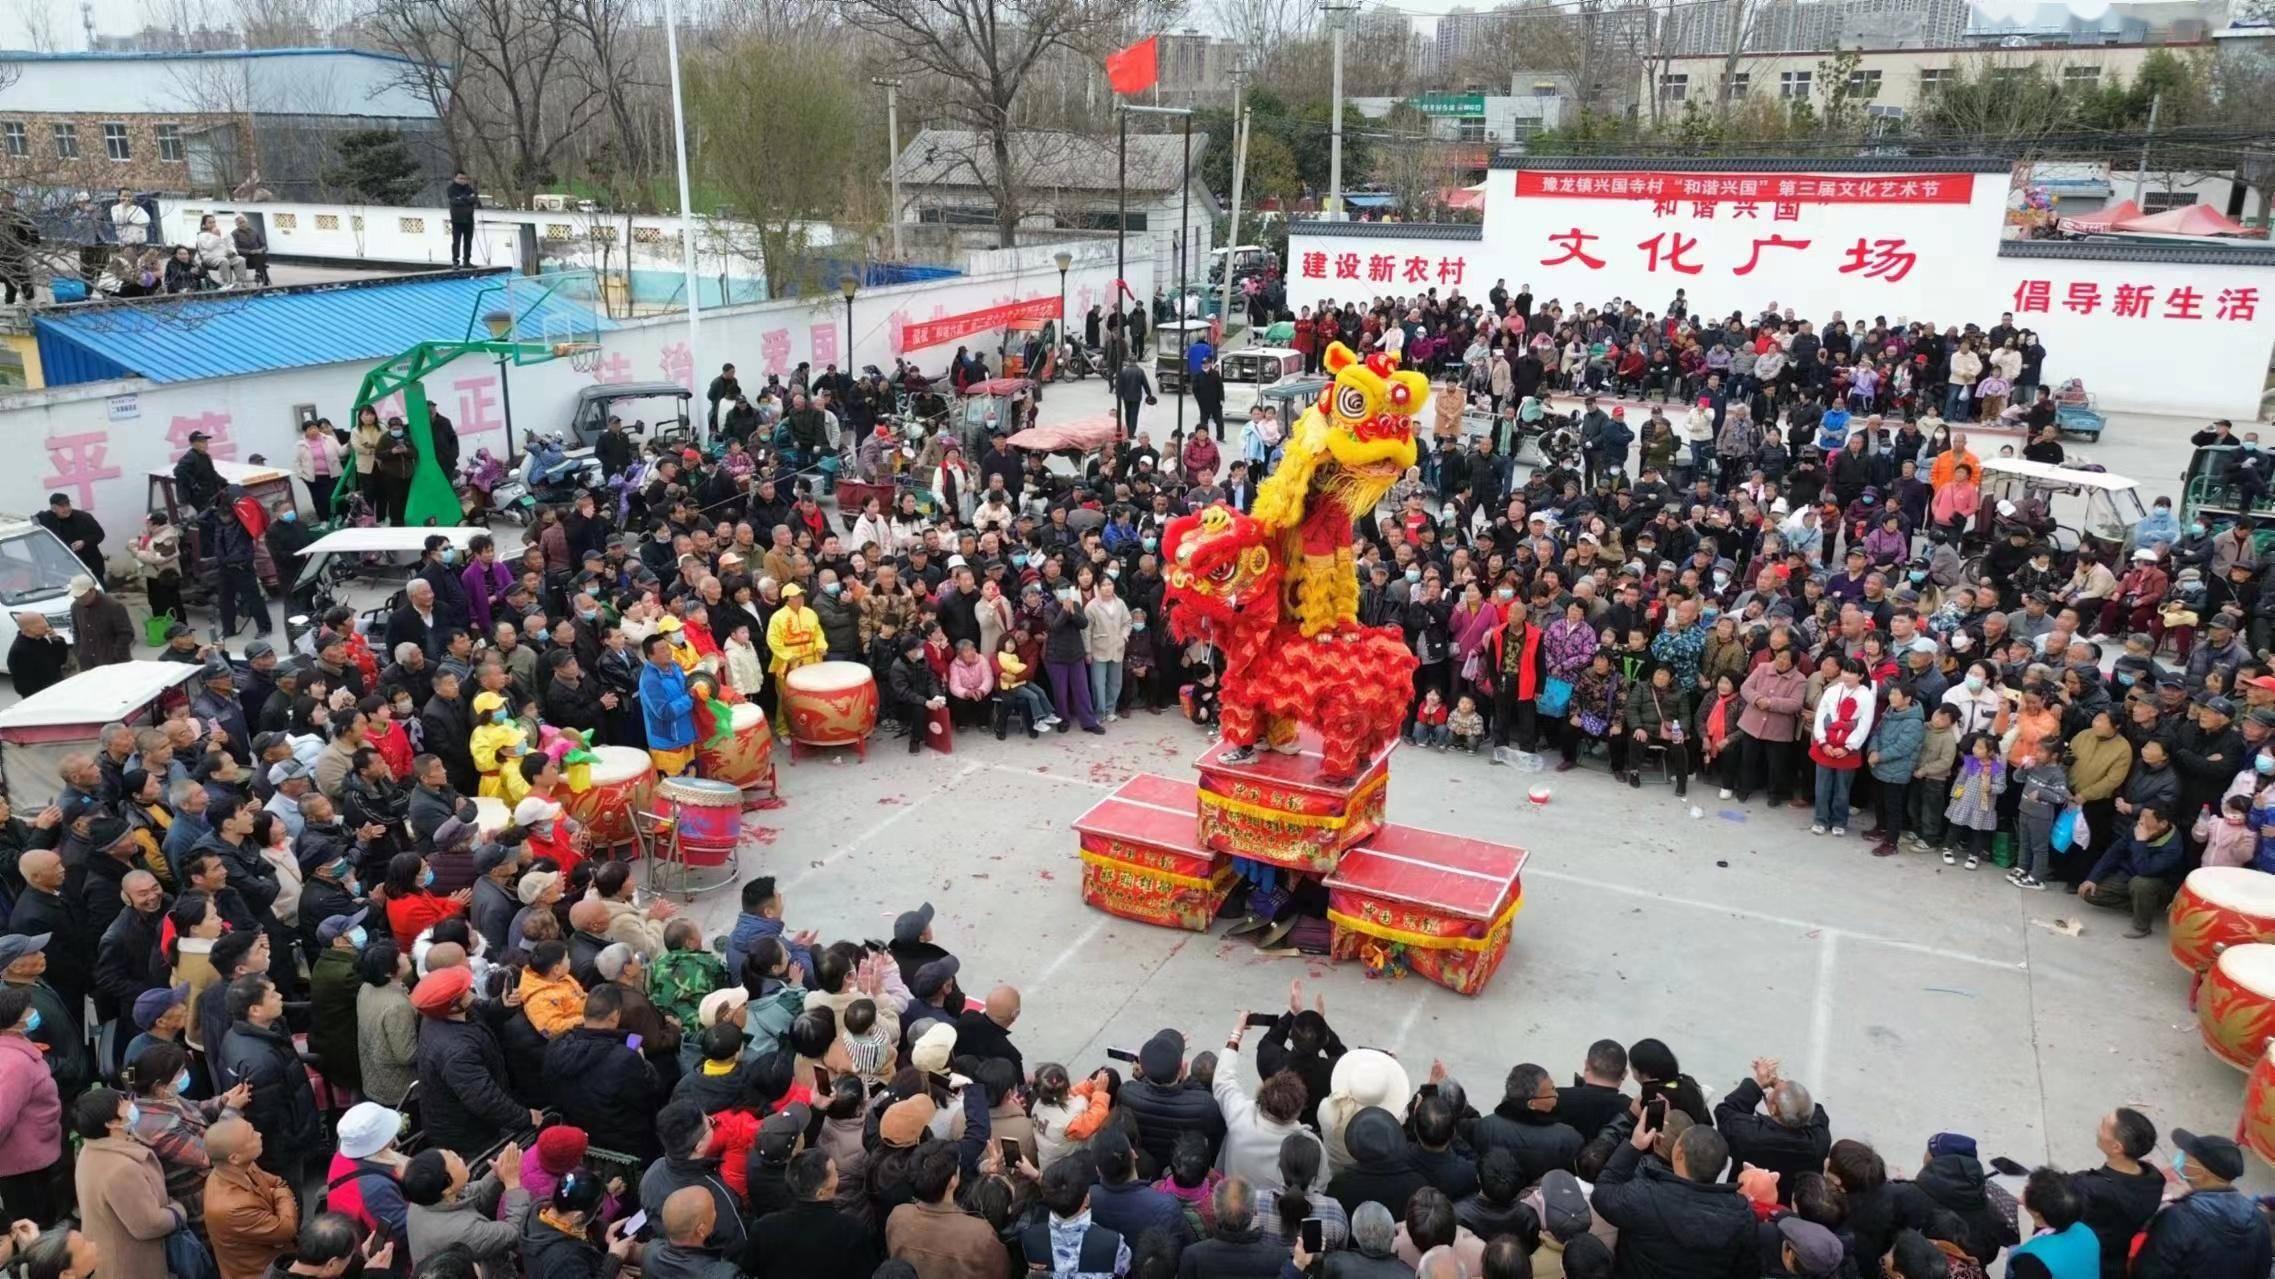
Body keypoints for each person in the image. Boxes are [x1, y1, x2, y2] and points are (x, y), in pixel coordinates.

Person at [1589, 1120, 1753, 1277]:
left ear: (1679, 1153)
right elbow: (1747, 1270)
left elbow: (1603, 1193)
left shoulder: (1646, 1195)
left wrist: (1634, 1146)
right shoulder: (1742, 1215)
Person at [72, 1086, 188, 1279]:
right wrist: (177, 1211)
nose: (130, 1104)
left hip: (107, 1254)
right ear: (111, 1123)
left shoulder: (90, 1150)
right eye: (122, 1104)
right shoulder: (121, 1170)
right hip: (131, 1263)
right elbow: (149, 1225)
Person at [2131, 1128, 2269, 1278]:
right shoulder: (2258, 1219)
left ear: (2203, 1174)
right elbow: (2262, 1270)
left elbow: (2149, 1271)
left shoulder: (2178, 1219)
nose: (2181, 1158)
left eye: (2188, 1157)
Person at [203, 1117, 298, 1279]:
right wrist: (281, 1194)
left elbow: (277, 1181)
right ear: (234, 1158)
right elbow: (287, 1229)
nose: (259, 1135)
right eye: (251, 1135)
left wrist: (278, 1191)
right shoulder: (232, 1208)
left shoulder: (242, 1166)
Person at [445, 171, 478, 267]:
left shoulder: (469, 188)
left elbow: (474, 199)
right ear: (455, 178)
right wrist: (467, 199)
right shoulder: (451, 189)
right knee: (456, 241)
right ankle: (455, 261)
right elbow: (454, 202)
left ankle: (467, 261)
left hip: (469, 219)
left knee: (468, 241)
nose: (463, 180)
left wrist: (462, 198)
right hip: (457, 220)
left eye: (464, 178)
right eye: (460, 178)